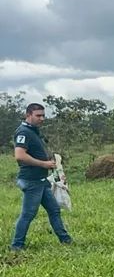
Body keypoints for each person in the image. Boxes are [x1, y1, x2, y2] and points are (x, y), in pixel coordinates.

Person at [11, 102, 72, 250]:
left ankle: (66, 241)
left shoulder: (34, 131)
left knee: (54, 210)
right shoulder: (23, 132)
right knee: (28, 214)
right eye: (38, 115)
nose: (42, 118)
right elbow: (19, 156)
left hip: (41, 180)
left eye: (43, 115)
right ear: (28, 115)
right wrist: (43, 164)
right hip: (31, 180)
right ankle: (17, 246)